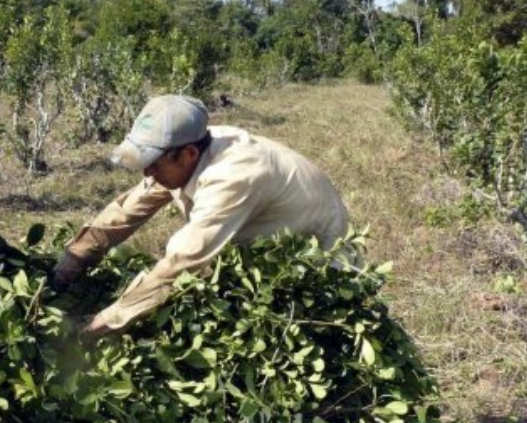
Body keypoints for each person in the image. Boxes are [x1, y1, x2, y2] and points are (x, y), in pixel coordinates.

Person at [52, 94, 354, 337]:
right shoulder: (186, 149)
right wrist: (69, 264)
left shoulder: (233, 176)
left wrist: (99, 325)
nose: (147, 173)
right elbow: (128, 210)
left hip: (315, 250)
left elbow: (183, 262)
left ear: (188, 156)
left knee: (291, 328)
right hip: (261, 233)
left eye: (154, 164)